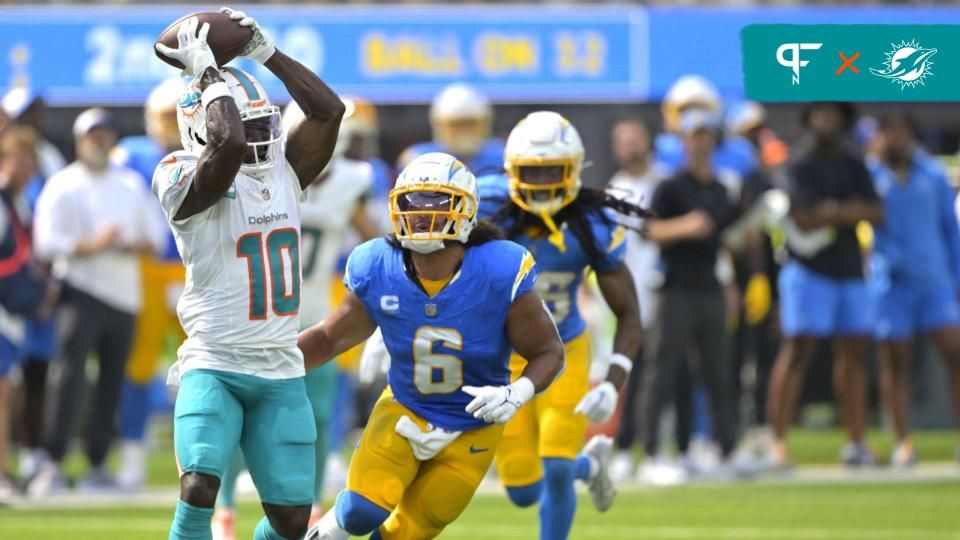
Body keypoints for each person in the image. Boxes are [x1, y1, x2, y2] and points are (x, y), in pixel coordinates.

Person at [152, 8, 345, 539]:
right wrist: (206, 73)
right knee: (199, 488)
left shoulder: (283, 173)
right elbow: (228, 147)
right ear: (199, 125)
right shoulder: (176, 173)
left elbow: (329, 111)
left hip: (281, 367)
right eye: (248, 125)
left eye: (266, 126)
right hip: (214, 361)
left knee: (290, 522)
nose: (259, 139)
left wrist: (268, 53)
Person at [303, 152, 565, 540]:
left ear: (466, 210)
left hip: (474, 427)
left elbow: (549, 352)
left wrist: (517, 392)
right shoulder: (377, 265)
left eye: (437, 203)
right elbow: (328, 338)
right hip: (406, 409)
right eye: (412, 203)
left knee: (406, 532)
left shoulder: (499, 268)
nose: (422, 215)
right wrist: (259, 364)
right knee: (359, 511)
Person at [211, 99, 379, 539]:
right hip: (257, 316)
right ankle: (223, 508)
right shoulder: (263, 178)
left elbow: (377, 242)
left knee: (318, 416)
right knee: (239, 414)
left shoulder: (349, 184)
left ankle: (314, 505)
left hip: (314, 314)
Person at [471, 111, 642, 539]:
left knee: (558, 465)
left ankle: (574, 467)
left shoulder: (592, 221)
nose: (544, 182)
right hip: (501, 359)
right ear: (511, 171)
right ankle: (591, 464)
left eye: (554, 170)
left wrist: (611, 382)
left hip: (564, 349)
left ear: (575, 170)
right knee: (523, 489)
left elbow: (630, 313)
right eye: (533, 171)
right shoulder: (484, 207)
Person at [26, 106, 166, 497]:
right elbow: (46, 243)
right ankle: (52, 461)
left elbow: (155, 237)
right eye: (92, 136)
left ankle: (98, 462)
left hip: (124, 296)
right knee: (68, 378)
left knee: (111, 383)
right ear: (79, 140)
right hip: (80, 292)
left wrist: (122, 243)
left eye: (104, 135)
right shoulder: (63, 184)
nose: (99, 142)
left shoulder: (129, 184)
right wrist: (92, 246)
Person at [766, 102, 884, 468]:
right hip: (808, 270)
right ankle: (778, 443)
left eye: (833, 113)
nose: (827, 119)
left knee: (853, 355)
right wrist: (847, 211)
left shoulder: (853, 162)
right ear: (809, 118)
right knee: (797, 350)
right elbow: (803, 218)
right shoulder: (798, 163)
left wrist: (831, 212)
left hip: (849, 271)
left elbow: (876, 211)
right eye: (820, 112)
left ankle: (856, 442)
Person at [642, 109, 738, 476]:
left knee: (719, 371)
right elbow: (649, 230)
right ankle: (652, 452)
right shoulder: (671, 186)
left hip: (710, 287)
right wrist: (686, 226)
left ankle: (725, 450)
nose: (700, 142)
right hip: (674, 288)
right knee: (662, 371)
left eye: (705, 135)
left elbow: (727, 239)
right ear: (683, 141)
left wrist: (732, 286)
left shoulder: (721, 189)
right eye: (693, 135)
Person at [868, 111, 960, 467]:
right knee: (895, 362)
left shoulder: (933, 175)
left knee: (954, 354)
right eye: (890, 133)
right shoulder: (871, 176)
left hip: (935, 282)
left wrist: (956, 279)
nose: (897, 140)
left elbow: (950, 230)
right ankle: (902, 440)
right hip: (891, 285)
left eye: (902, 133)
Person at [112, 76, 188, 491]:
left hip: (195, 268)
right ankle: (132, 451)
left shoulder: (209, 152)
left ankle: (227, 454)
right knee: (139, 361)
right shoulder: (133, 157)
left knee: (217, 362)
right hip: (149, 267)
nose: (170, 126)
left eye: (175, 115)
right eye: (163, 117)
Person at [604, 118, 670, 481]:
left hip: (665, 290)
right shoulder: (615, 192)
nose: (631, 147)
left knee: (658, 375)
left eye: (636, 139)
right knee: (630, 372)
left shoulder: (663, 183)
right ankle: (626, 446)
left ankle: (654, 448)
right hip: (630, 294)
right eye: (624, 141)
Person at [0, 126, 57, 503]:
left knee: (10, 392)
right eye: (18, 157)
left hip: (13, 317)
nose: (26, 166)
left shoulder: (20, 204)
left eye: (31, 159)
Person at [396, 83, 504, 175]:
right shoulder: (418, 159)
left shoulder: (501, 156)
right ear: (440, 125)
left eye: (470, 124)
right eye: (457, 125)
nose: (464, 131)